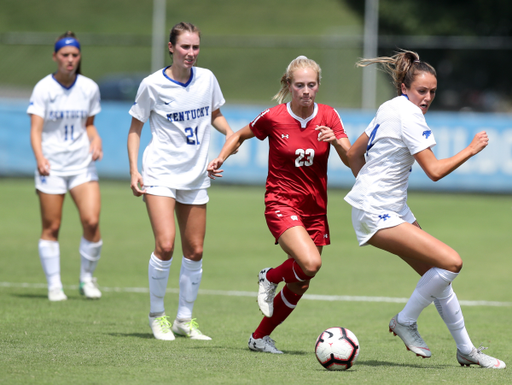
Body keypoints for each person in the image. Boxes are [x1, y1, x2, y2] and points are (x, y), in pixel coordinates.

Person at [344, 50, 506, 369]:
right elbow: (433, 170)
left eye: (433, 91)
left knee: (438, 277)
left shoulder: (389, 107)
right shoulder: (409, 115)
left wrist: (368, 186)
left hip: (388, 206)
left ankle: (466, 350)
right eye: (422, 90)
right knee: (451, 262)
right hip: (377, 210)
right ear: (405, 87)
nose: (428, 97)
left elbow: (352, 153)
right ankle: (405, 320)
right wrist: (471, 150)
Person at [208, 56, 351, 354]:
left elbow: (351, 159)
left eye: (311, 85)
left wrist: (336, 141)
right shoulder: (274, 116)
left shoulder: (329, 116)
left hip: (316, 210)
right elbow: (239, 136)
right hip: (281, 202)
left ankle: (259, 338)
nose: (306, 91)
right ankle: (270, 276)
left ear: (318, 86)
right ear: (289, 85)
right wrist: (222, 156)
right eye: (299, 85)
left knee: (301, 282)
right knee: (311, 263)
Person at [127, 22, 234, 341]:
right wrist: (134, 170)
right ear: (171, 48)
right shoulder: (151, 85)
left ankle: (184, 320)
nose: (191, 53)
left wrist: (228, 133)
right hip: (160, 172)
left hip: (196, 174)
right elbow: (135, 129)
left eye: (196, 47)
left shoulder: (208, 79)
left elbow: (213, 113)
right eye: (185, 47)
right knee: (165, 244)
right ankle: (157, 316)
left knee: (196, 250)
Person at [28, 31, 103, 302]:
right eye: (64, 55)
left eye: (74, 55)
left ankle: (86, 279)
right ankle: (54, 285)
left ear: (79, 57)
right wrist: (40, 159)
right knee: (52, 226)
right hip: (52, 165)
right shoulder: (43, 88)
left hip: (82, 165)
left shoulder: (89, 87)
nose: (70, 60)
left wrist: (96, 141)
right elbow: (35, 130)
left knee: (92, 221)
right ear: (55, 56)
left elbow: (90, 125)